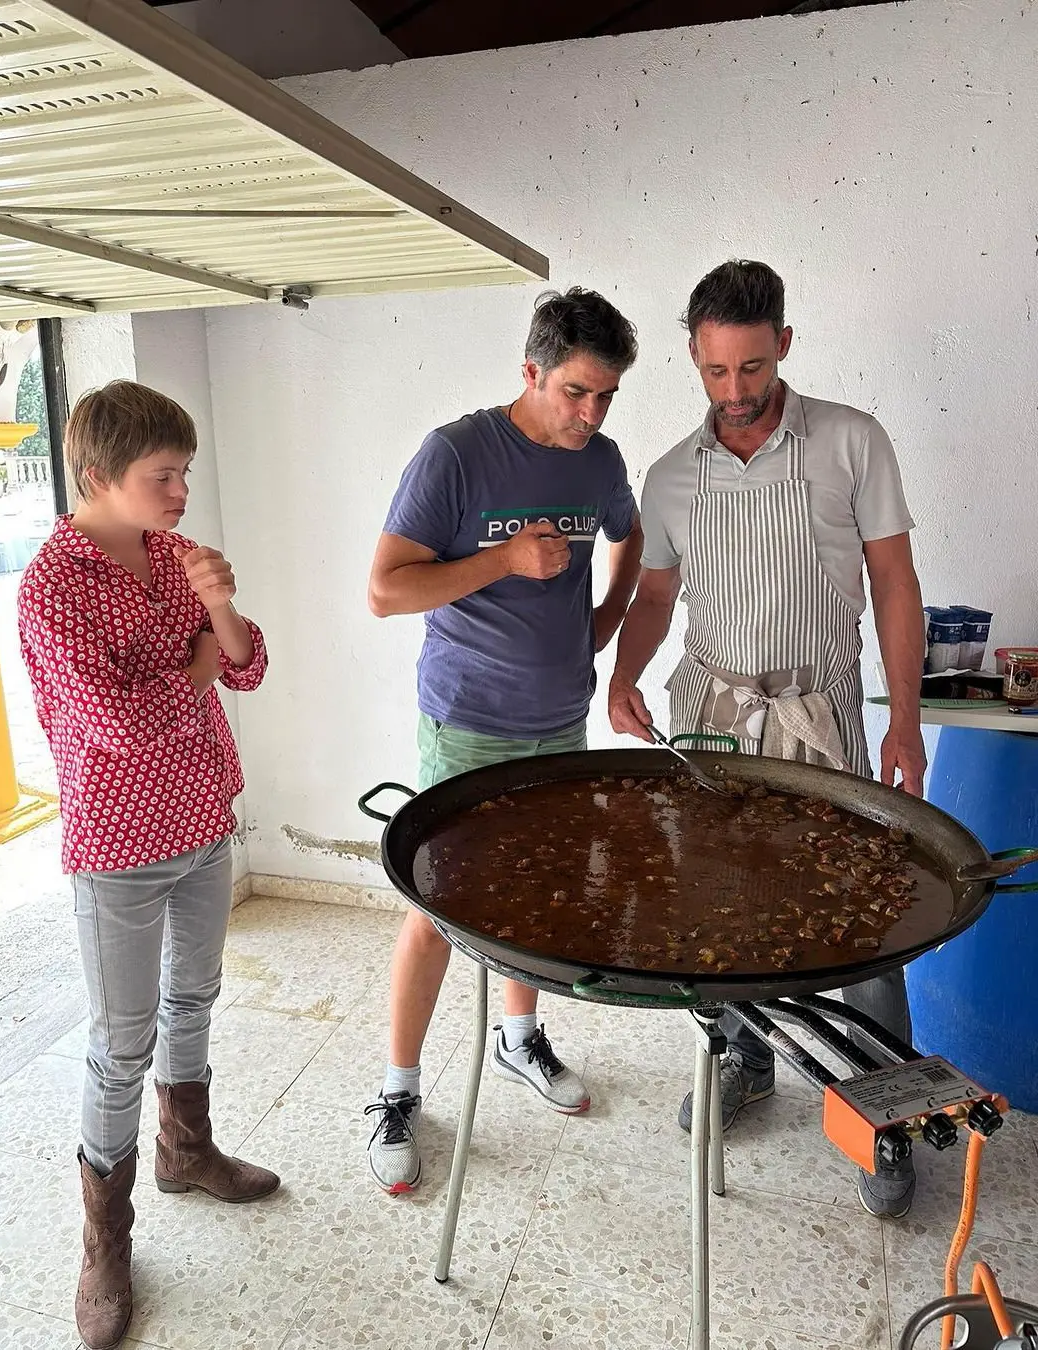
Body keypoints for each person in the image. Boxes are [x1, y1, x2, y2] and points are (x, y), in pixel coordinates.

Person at [608, 260, 926, 1219]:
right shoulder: (670, 476)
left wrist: (903, 714)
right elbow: (655, 595)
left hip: (820, 710)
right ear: (694, 360)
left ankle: (887, 1117)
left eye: (752, 367)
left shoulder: (850, 443)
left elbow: (894, 582)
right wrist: (623, 675)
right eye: (716, 372)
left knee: (857, 915)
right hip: (712, 715)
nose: (736, 392)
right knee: (716, 906)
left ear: (783, 344)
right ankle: (743, 1057)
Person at [365, 287, 644, 1194]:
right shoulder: (455, 454)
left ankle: (520, 1038)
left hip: (560, 717)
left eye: (605, 396)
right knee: (439, 909)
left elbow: (629, 534)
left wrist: (603, 617)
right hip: (469, 724)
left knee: (539, 892)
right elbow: (384, 590)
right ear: (531, 371)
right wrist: (503, 560)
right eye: (574, 392)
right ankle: (399, 1090)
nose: (591, 414)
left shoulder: (598, 458)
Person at [18, 381, 278, 1350]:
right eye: (161, 477)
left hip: (203, 816)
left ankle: (187, 1150)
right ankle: (106, 1240)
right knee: (119, 1041)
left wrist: (219, 607)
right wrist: (204, 660)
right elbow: (122, 724)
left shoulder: (174, 557)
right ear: (98, 478)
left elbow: (245, 665)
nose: (179, 493)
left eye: (185, 474)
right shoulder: (52, 586)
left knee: (195, 998)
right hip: (118, 847)